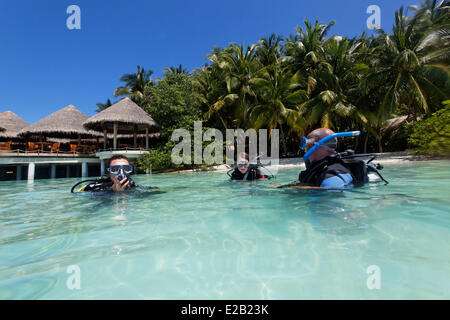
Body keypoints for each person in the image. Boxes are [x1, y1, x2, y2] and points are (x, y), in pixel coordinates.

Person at [72, 155, 136, 193]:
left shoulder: (132, 185)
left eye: (126, 168)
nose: (121, 172)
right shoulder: (99, 189)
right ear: (108, 173)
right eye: (115, 169)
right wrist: (113, 192)